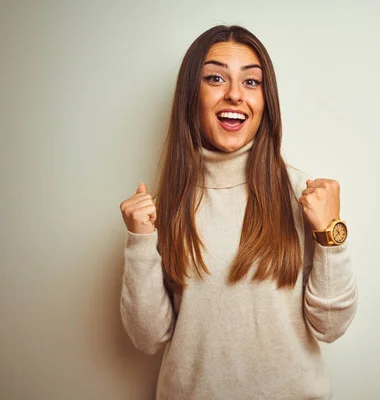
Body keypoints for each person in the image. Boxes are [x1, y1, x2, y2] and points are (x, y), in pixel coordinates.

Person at [119, 24, 357, 400]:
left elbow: (330, 326)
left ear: (266, 99)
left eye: (251, 82)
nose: (234, 94)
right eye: (215, 78)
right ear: (190, 96)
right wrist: (139, 243)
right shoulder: (164, 206)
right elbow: (148, 338)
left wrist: (331, 234)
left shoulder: (302, 194)